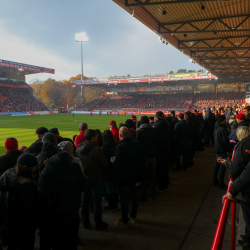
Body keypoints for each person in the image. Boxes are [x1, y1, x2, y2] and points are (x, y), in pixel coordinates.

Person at [39, 149, 85, 250]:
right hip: (71, 210)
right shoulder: (74, 167)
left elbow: (43, 193)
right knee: (71, 241)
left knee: (56, 241)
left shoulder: (47, 170)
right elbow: (83, 186)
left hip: (53, 212)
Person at [0, 153, 39, 250]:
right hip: (23, 228)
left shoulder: (6, 175)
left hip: (8, 224)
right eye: (34, 166)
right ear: (30, 167)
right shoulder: (26, 187)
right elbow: (30, 211)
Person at [113, 127, 147, 227]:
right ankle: (133, 216)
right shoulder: (136, 143)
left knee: (124, 199)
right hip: (134, 174)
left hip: (124, 176)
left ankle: (124, 220)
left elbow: (117, 163)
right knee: (133, 196)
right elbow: (145, 154)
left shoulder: (120, 147)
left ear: (120, 135)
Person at [75, 129, 108, 230]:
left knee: (85, 201)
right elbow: (104, 164)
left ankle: (85, 222)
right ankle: (98, 223)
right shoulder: (97, 149)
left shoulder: (78, 148)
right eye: (95, 136)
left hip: (84, 179)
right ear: (93, 137)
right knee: (97, 202)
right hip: (96, 179)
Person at [136, 116, 157, 201]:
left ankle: (144, 196)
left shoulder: (139, 131)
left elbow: (137, 144)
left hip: (143, 157)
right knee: (153, 176)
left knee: (143, 177)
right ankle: (153, 195)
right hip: (152, 156)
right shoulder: (154, 130)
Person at [154, 111, 173, 191]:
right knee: (165, 166)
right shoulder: (169, 125)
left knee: (159, 168)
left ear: (157, 117)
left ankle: (161, 186)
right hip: (167, 148)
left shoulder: (155, 126)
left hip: (158, 150)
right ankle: (166, 182)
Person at [102, 130, 119, 211]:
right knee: (115, 187)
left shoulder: (104, 146)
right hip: (115, 168)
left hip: (108, 169)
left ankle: (111, 205)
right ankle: (115, 204)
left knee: (109, 188)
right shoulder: (116, 144)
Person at [213, 115, 231, 189]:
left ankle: (215, 180)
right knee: (222, 167)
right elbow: (225, 141)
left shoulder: (216, 128)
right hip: (222, 150)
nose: (226, 121)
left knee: (217, 166)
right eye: (225, 120)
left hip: (217, 149)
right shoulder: (222, 129)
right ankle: (221, 183)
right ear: (222, 121)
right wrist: (228, 150)